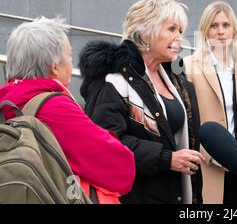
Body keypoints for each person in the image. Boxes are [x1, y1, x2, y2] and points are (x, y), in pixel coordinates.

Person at [79, 0, 204, 204]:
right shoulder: (113, 80)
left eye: (181, 31)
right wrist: (166, 159)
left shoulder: (178, 81)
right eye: (171, 29)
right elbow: (107, 143)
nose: (179, 37)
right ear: (145, 34)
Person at [0, 17, 135, 203]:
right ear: (54, 67)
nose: (72, 65)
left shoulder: (5, 102)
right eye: (70, 56)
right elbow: (120, 168)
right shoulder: (55, 107)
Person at [184, 1, 237, 204]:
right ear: (204, 30)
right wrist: (215, 156)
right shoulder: (189, 67)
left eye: (226, 25)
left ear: (234, 29)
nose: (221, 32)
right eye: (214, 25)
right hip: (208, 167)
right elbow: (189, 123)